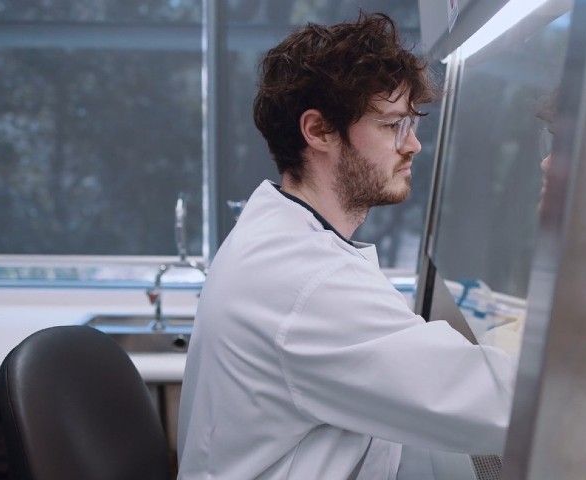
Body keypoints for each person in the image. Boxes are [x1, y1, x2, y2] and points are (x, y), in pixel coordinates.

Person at [177, 12, 516, 480]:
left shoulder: (286, 241)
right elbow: (498, 404)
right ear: (318, 131)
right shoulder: (308, 281)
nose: (413, 145)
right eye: (392, 125)